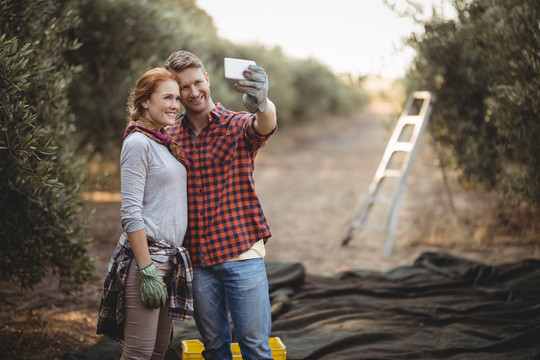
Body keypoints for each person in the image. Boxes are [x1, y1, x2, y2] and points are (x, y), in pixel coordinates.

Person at [164, 50, 277, 360]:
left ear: (208, 80)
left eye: (197, 82)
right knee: (215, 350)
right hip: (198, 263)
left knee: (255, 348)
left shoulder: (238, 125)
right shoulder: (169, 136)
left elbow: (265, 125)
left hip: (242, 255)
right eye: (183, 87)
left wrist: (263, 103)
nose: (193, 92)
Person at [96, 67, 194, 360]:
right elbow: (131, 213)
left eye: (177, 98)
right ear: (145, 102)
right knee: (139, 353)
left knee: (158, 351)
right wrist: (146, 268)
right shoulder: (137, 143)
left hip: (170, 260)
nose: (175, 105)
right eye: (167, 97)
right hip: (148, 263)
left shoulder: (162, 142)